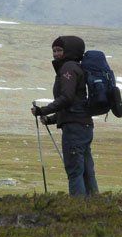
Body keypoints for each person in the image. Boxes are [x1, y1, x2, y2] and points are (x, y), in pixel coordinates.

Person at [31, 36, 98, 196]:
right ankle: (95, 207)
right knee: (87, 171)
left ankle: (77, 211)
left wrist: (43, 111)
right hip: (84, 126)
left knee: (74, 171)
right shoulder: (75, 67)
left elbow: (67, 98)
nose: (55, 54)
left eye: (59, 50)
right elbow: (75, 103)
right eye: (54, 50)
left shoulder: (68, 68)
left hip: (74, 129)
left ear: (69, 51)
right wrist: (51, 119)